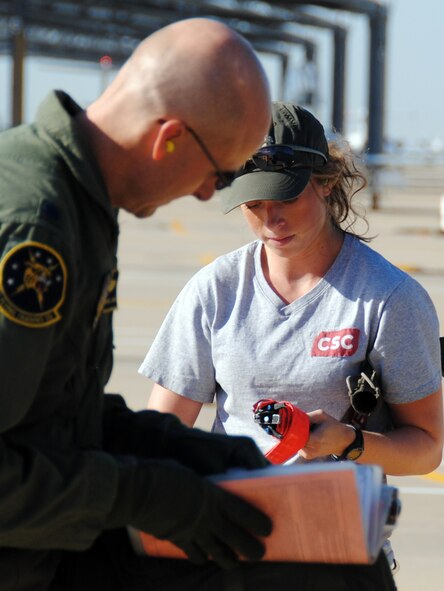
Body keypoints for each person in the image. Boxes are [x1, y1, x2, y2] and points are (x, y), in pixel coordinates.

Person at [0, 17, 279, 591]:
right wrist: (146, 494)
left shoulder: (80, 203)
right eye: (219, 175)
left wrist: (174, 448)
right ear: (168, 136)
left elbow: (45, 416)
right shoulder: (35, 228)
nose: (207, 194)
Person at [141, 102, 443, 573]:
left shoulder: (389, 298)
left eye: (285, 198)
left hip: (337, 555)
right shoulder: (215, 289)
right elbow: (160, 433)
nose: (269, 220)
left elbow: (426, 446)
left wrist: (347, 442)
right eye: (254, 204)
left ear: (325, 183)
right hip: (230, 550)